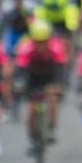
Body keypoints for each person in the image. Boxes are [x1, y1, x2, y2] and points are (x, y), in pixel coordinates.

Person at [16, 19, 68, 152]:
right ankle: (32, 138)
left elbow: (60, 70)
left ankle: (51, 128)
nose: (41, 45)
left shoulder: (56, 47)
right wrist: (19, 84)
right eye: (37, 42)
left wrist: (59, 85)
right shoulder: (26, 48)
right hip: (33, 78)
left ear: (49, 39)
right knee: (32, 109)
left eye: (44, 41)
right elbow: (21, 70)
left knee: (52, 98)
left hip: (50, 76)